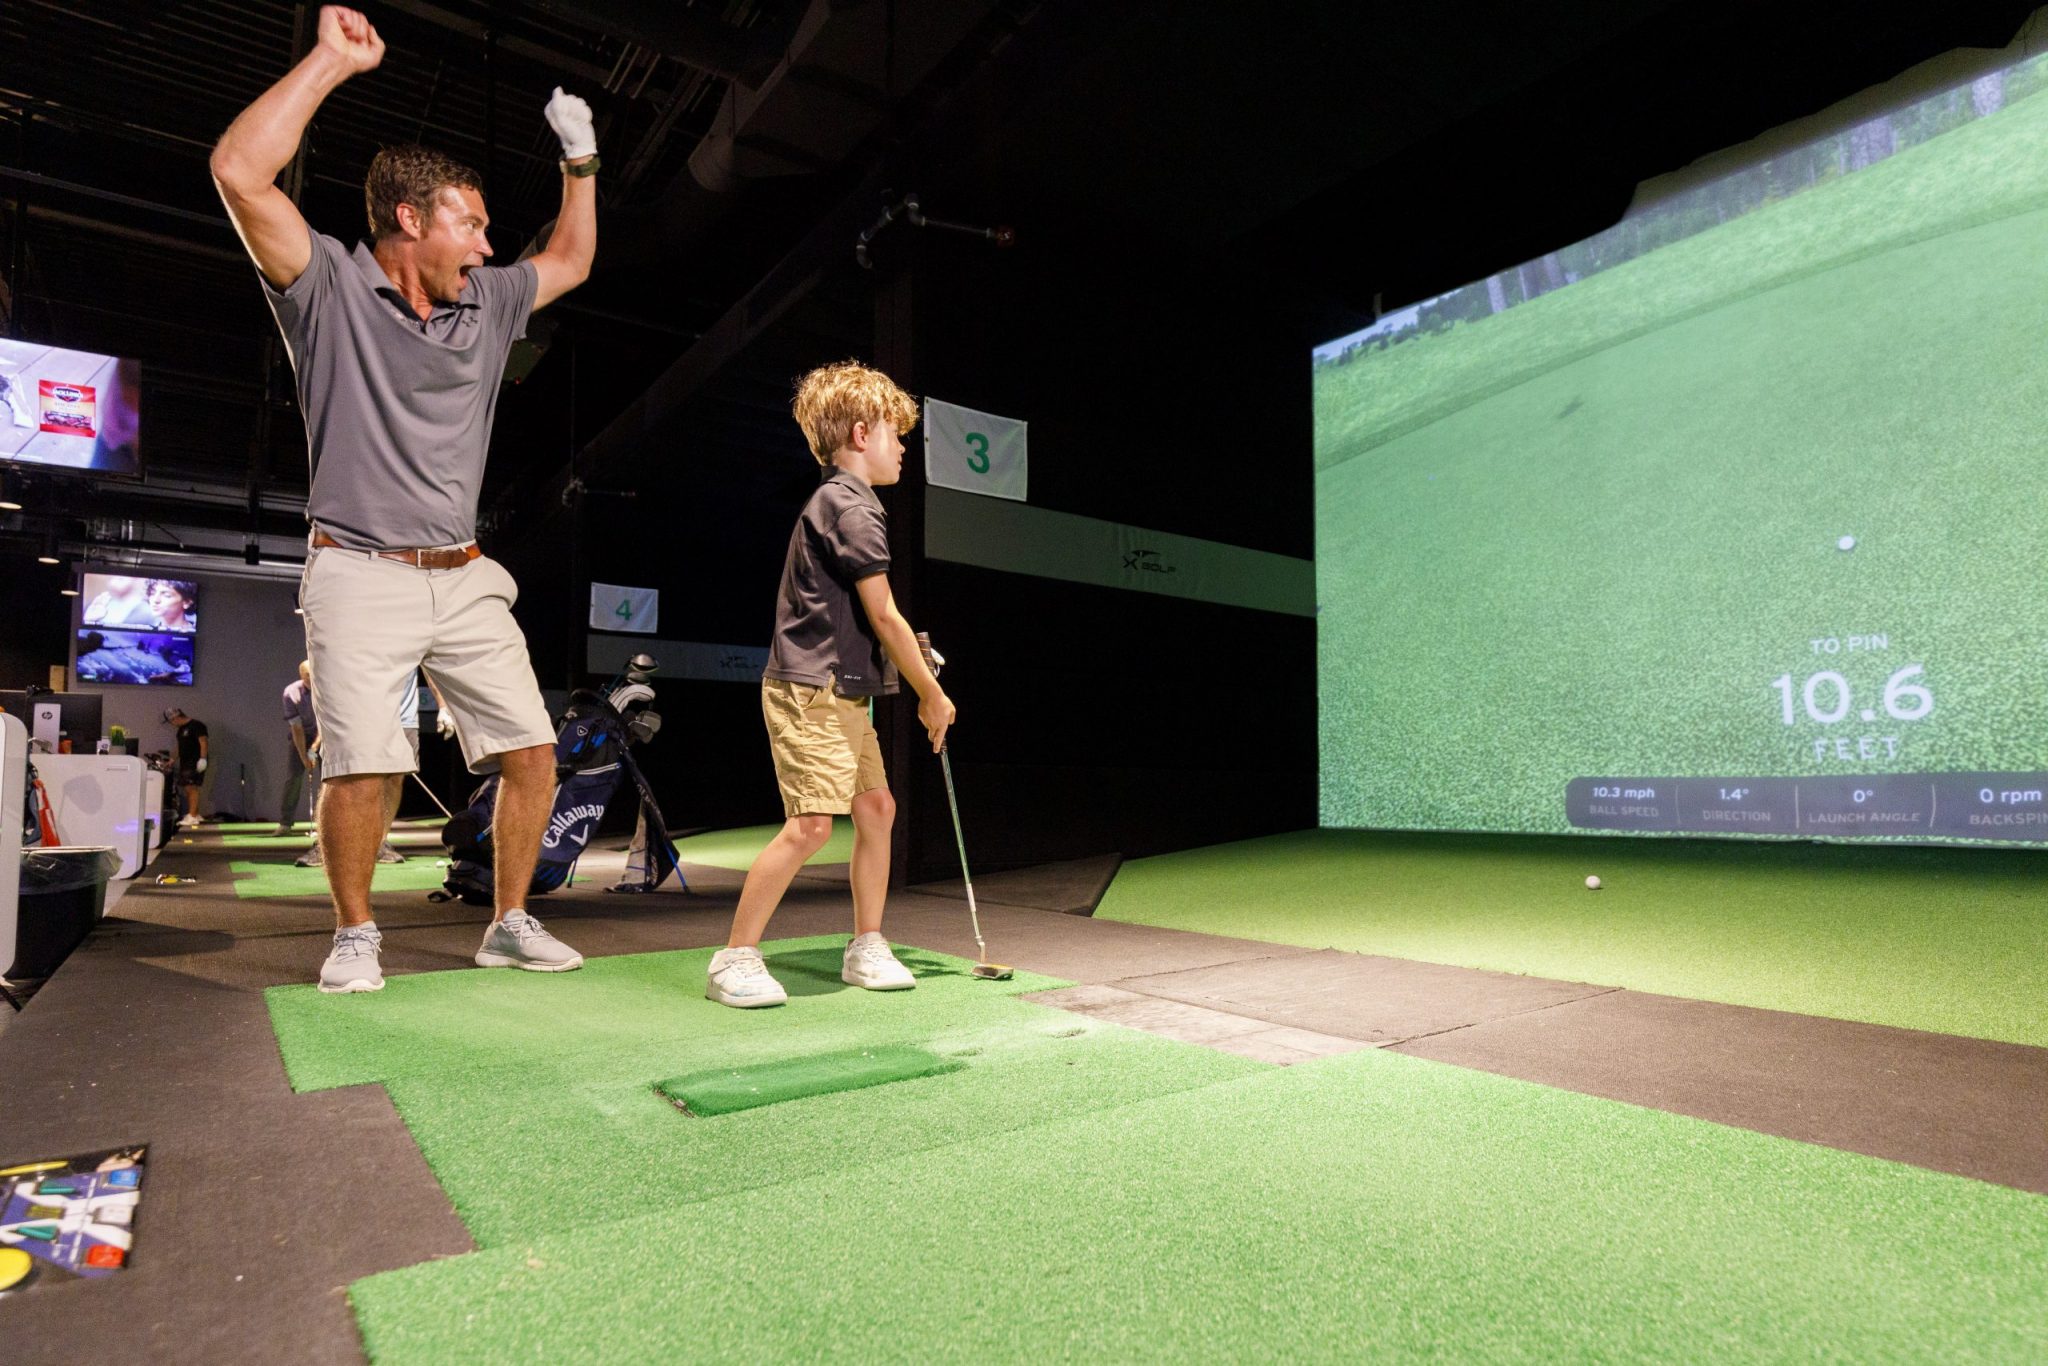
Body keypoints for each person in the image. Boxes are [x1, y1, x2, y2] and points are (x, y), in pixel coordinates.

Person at [212, 6, 598, 994]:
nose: (487, 245)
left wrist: (581, 166)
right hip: (357, 568)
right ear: (411, 220)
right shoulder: (328, 288)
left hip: (461, 571)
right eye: (471, 224)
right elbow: (239, 173)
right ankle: (355, 935)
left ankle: (508, 921)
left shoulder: (488, 304)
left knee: (533, 752)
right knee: (366, 763)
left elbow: (570, 261)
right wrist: (329, 62)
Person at [707, 361, 957, 1008]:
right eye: (894, 434)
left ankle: (866, 944)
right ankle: (734, 958)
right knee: (812, 826)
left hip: (840, 690)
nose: (902, 447)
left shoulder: (843, 504)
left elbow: (862, 618)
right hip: (810, 690)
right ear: (860, 433)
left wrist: (911, 656)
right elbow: (883, 614)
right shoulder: (850, 506)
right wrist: (931, 694)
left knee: (876, 809)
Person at [275, 660, 322, 842]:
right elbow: (296, 729)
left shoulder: (326, 689)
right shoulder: (291, 693)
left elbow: (327, 725)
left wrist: (314, 748)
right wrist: (304, 756)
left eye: (313, 673)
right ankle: (285, 823)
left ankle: (326, 824)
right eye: (307, 675)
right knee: (293, 778)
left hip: (325, 735)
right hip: (301, 735)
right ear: (301, 675)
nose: (311, 677)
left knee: (329, 779)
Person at [164, 706, 209, 827]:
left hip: (195, 761)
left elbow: (203, 741)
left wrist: (203, 759)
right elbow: (180, 746)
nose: (172, 724)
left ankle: (192, 816)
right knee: (187, 788)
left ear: (175, 718)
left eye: (171, 722)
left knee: (191, 787)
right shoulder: (180, 730)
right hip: (185, 762)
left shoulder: (197, 725)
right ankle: (195, 814)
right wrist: (173, 759)